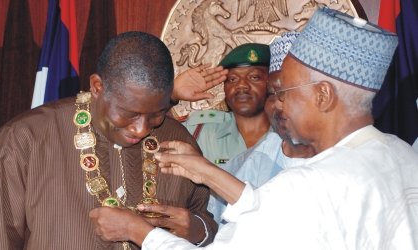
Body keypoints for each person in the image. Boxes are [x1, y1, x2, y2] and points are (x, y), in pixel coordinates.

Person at [90, 7, 418, 249]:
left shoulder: (306, 187)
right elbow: (276, 213)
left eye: (285, 91)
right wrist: (207, 172)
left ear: (322, 95)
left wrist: (138, 232)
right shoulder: (403, 156)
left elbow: (287, 208)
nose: (277, 105)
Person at [0, 31, 228, 249]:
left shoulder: (179, 141)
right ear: (98, 86)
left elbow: (212, 230)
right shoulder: (26, 139)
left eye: (156, 114)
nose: (141, 129)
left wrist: (198, 231)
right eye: (130, 114)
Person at [204, 32, 316, 226]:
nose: (241, 86)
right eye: (275, 93)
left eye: (254, 77)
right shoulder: (245, 162)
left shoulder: (352, 160)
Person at [179, 43, 273, 225]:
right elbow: (150, 133)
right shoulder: (200, 131)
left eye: (254, 77)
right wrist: (172, 96)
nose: (242, 86)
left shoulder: (292, 137)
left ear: (272, 82)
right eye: (232, 79)